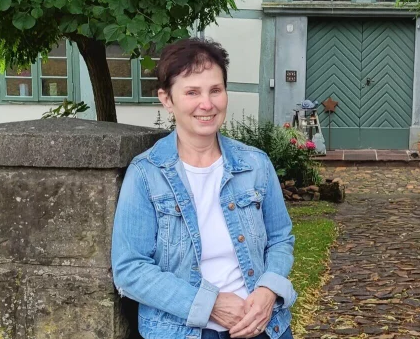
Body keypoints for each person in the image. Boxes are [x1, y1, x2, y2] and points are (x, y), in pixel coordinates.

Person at [111, 38, 295, 339]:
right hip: (181, 331)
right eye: (192, 92)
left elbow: (280, 238)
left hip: (263, 326)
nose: (206, 104)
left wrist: (268, 289)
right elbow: (130, 269)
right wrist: (210, 305)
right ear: (167, 99)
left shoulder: (255, 165)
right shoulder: (146, 174)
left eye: (215, 90)